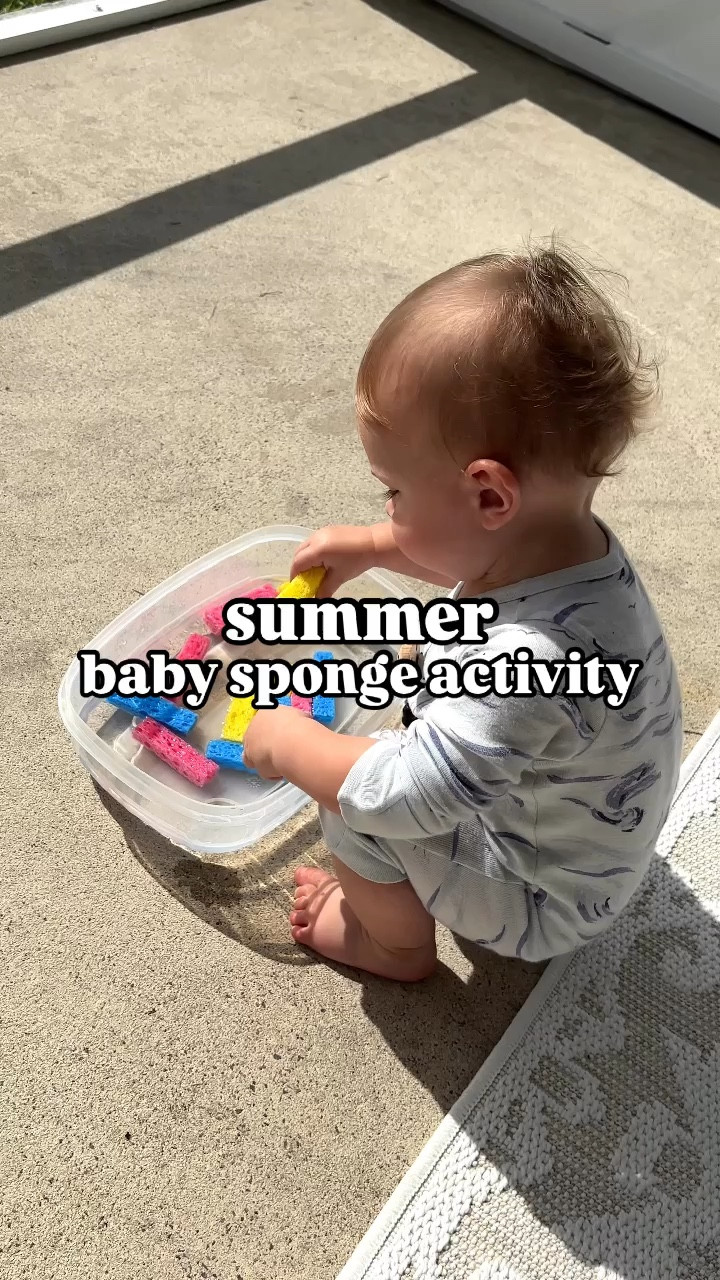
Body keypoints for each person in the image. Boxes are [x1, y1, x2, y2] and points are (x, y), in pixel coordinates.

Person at [242, 245, 682, 981]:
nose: (387, 507)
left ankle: (392, 947)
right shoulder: (563, 551)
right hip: (581, 849)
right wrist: (379, 544)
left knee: (351, 803)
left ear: (488, 496)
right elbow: (474, 561)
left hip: (539, 900)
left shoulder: (530, 664)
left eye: (394, 493)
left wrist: (287, 742)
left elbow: (407, 797)